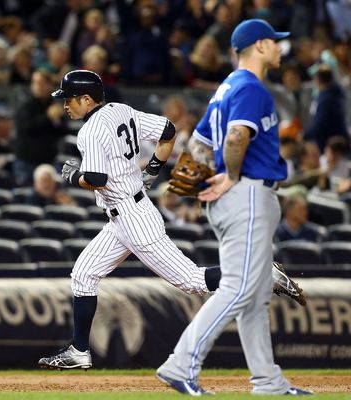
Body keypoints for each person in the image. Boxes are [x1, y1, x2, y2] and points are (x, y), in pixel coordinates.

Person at [37, 69, 303, 371]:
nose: (66, 105)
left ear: (86, 98)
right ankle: (79, 350)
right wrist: (153, 168)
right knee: (83, 274)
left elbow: (97, 178)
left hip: (133, 218)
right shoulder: (120, 110)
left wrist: (74, 176)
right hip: (124, 216)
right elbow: (167, 130)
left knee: (193, 280)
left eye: (69, 99)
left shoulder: (90, 131)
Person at [156, 20, 312, 396]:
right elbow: (238, 135)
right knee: (239, 287)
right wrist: (229, 176)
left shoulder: (225, 88)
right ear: (258, 46)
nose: (279, 49)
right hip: (248, 193)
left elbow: (198, 143)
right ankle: (180, 364)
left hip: (238, 198)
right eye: (275, 43)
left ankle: (268, 382)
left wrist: (201, 185)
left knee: (256, 296)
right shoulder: (250, 87)